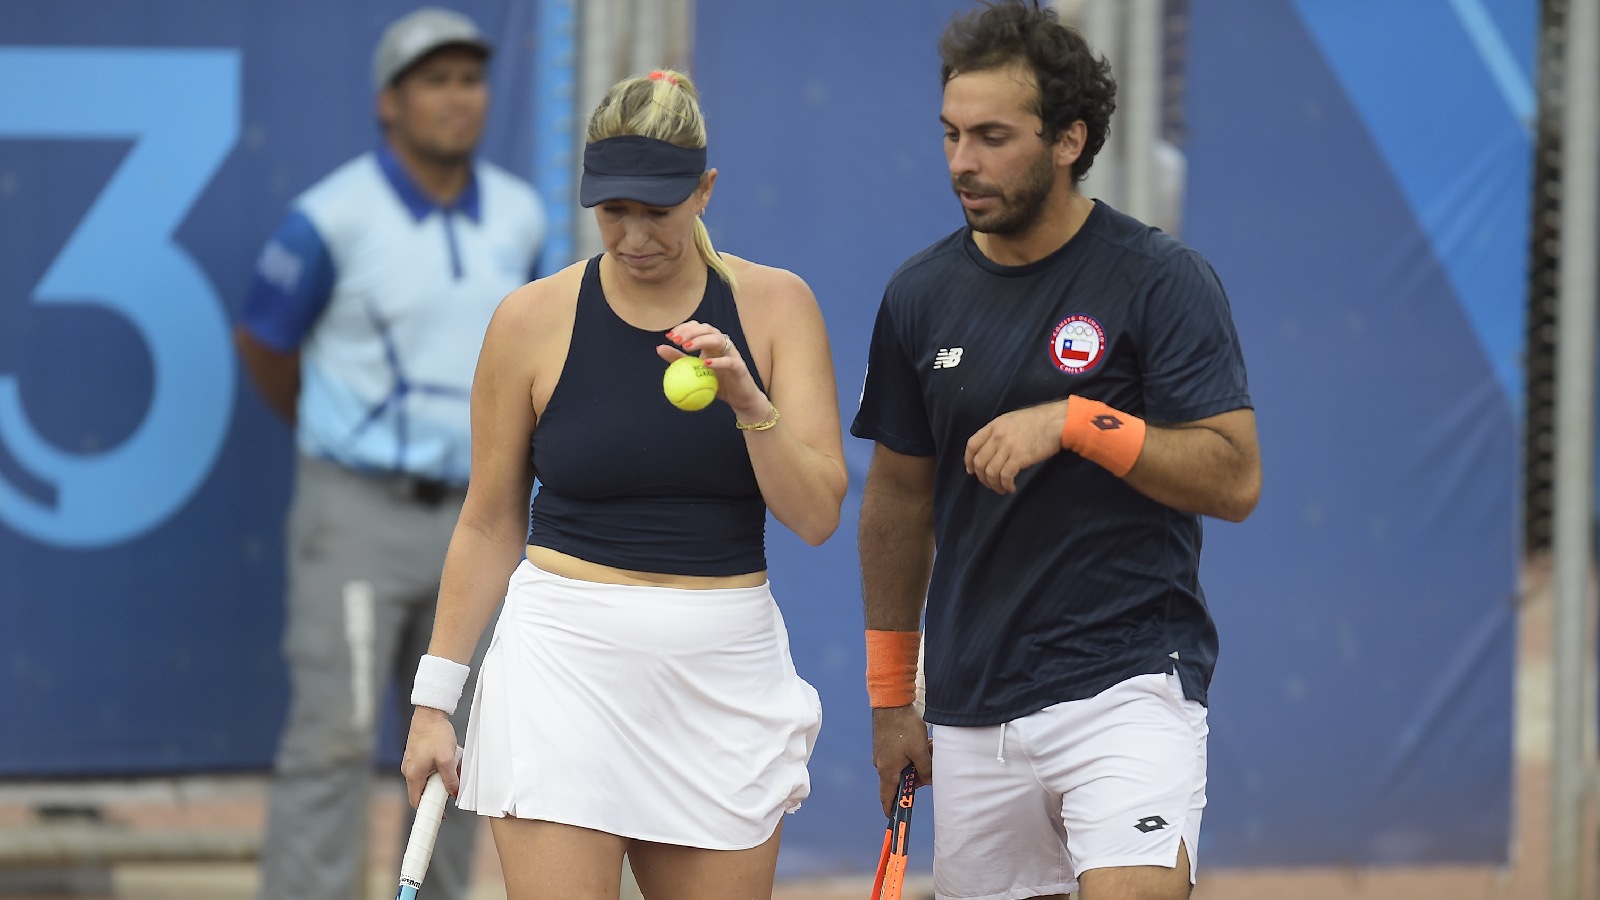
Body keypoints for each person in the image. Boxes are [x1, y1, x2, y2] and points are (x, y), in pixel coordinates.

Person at [398, 68, 846, 900]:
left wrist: (750, 401)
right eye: (614, 212)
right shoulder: (528, 319)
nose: (635, 235)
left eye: (659, 211)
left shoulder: (779, 308)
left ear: (705, 191)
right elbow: (490, 522)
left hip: (723, 673)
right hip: (562, 668)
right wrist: (435, 703)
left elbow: (817, 515)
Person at [852, 3, 1262, 899]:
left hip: (1126, 685)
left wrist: (1079, 422)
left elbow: (1234, 477)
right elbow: (894, 503)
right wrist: (892, 702)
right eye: (953, 134)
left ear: (1069, 139)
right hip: (969, 703)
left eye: (994, 136)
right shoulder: (918, 295)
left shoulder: (1160, 279)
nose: (964, 161)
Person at [234, 8, 546, 899]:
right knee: (331, 740)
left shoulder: (521, 217)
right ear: (389, 103)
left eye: (471, 79)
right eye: (435, 81)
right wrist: (341, 441)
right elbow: (265, 342)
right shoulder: (329, 219)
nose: (459, 98)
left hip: (478, 518)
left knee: (463, 750)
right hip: (357, 514)